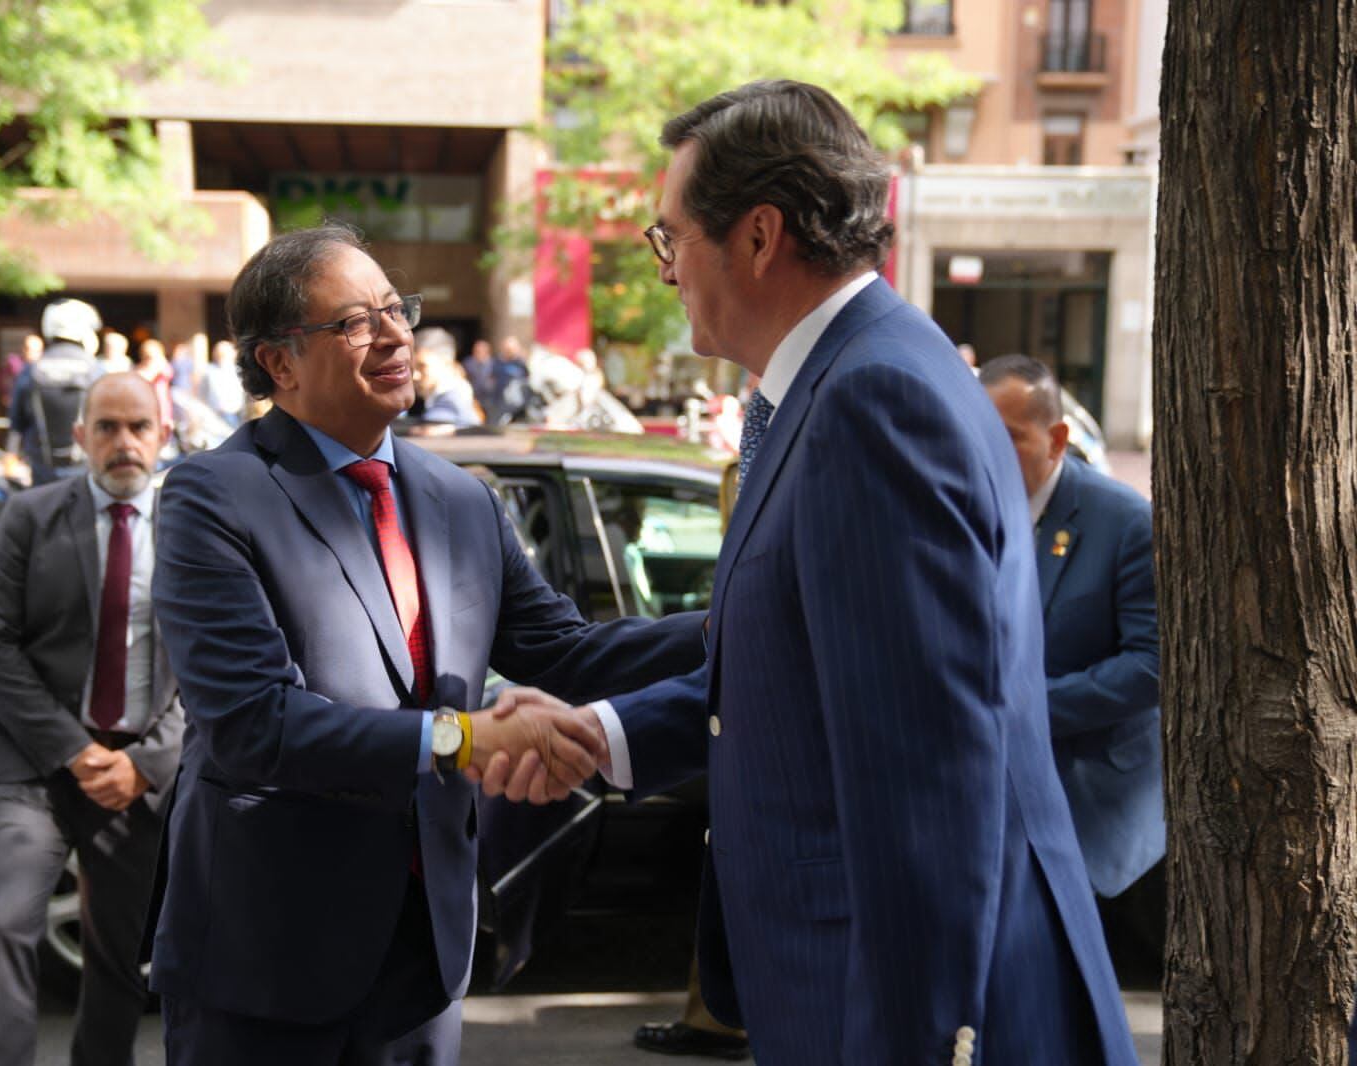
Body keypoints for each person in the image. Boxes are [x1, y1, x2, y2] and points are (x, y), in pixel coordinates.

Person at [483, 80, 1138, 1065]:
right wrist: (606, 734)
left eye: (670, 239)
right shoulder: (844, 380)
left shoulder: (869, 401)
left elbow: (928, 772)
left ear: (756, 236)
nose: (663, 271)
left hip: (900, 1006)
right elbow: (800, 654)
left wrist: (918, 1040)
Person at [149, 223, 706, 1066]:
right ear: (280, 362)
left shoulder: (460, 499)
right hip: (270, 950)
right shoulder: (213, 496)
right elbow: (252, 726)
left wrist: (736, 623)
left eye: (394, 310)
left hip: (426, 941)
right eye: (355, 322)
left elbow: (568, 654)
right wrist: (466, 737)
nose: (394, 335)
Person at [0, 372, 184, 1066]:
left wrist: (147, 763)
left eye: (138, 427)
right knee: (1, 927)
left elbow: (219, 665)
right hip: (37, 762)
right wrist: (73, 752)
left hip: (136, 773)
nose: (123, 443)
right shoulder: (31, 515)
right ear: (79, 436)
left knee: (119, 960)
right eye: (107, 428)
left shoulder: (193, 530)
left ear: (163, 436)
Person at [980, 354, 1163, 945]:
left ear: (1056, 438)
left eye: (1008, 439)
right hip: (992, 799)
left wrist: (1023, 711)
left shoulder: (1126, 522)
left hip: (1088, 804)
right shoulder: (971, 513)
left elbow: (1151, 667)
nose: (986, 456)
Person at [6, 299, 104, 486]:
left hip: (42, 476)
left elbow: (17, 422)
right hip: (86, 476)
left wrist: (10, 456)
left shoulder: (31, 371)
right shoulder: (96, 371)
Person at [413, 327, 482, 426]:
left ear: (446, 363)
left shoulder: (451, 403)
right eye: (412, 368)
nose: (415, 376)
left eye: (422, 367)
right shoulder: (440, 397)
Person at [196, 339, 246, 429]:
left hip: (237, 414)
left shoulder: (238, 371)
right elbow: (201, 394)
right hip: (215, 415)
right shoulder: (209, 371)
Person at [492, 335, 531, 424]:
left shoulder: (521, 363)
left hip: (518, 404)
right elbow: (491, 378)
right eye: (507, 349)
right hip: (499, 400)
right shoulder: (496, 362)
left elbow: (528, 379)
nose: (509, 351)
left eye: (511, 349)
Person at [0, 334, 42, 411]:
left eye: (37, 351)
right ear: (24, 349)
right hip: (17, 406)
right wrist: (6, 395)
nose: (33, 354)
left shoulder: (45, 367)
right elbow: (2, 379)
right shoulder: (14, 364)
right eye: (29, 349)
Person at [464, 338, 498, 419]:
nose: (479, 353)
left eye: (481, 351)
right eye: (477, 351)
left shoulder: (495, 363)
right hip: (473, 398)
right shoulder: (468, 363)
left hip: (490, 398)